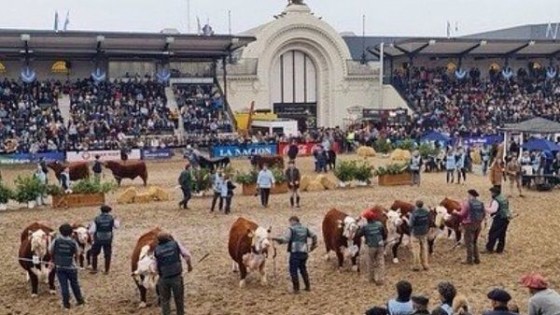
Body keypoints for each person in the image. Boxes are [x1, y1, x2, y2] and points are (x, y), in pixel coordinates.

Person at [272, 216, 318, 294]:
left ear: (293, 221)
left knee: (293, 270)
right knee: (303, 269)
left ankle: (296, 288)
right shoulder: (305, 228)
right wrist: (313, 245)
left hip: (295, 252)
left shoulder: (291, 229)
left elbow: (285, 240)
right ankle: (308, 286)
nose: (290, 223)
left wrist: (276, 239)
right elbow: (314, 236)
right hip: (304, 252)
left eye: (290, 222)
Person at [154, 231, 193, 315]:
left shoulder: (156, 249)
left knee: (165, 301)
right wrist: (189, 266)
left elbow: (155, 267)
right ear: (169, 238)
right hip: (176, 277)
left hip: (163, 278)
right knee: (179, 299)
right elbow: (187, 256)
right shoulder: (175, 244)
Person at [50, 223, 85, 310]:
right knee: (75, 284)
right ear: (70, 233)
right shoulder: (73, 242)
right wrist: (75, 261)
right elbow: (78, 253)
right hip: (71, 267)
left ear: (60, 232)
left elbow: (50, 250)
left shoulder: (56, 240)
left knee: (63, 286)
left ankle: (66, 304)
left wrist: (54, 259)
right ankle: (80, 301)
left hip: (60, 267)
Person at [453, 189, 484, 265]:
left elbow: (462, 214)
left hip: (469, 225)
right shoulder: (480, 203)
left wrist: (455, 212)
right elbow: (484, 214)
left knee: (468, 243)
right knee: (475, 242)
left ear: (470, 195)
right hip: (478, 224)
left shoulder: (467, 204)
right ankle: (477, 259)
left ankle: (469, 260)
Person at [356, 210, 387, 285]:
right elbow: (384, 234)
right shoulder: (379, 224)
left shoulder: (365, 227)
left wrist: (358, 226)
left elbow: (358, 235)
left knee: (370, 262)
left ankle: (371, 278)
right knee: (380, 262)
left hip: (370, 246)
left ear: (366, 219)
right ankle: (381, 279)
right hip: (380, 245)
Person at [89, 205, 120, 274]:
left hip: (98, 238)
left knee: (95, 253)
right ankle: (106, 270)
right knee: (107, 254)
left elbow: (92, 230)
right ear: (109, 211)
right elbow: (117, 226)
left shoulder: (97, 218)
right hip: (108, 238)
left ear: (101, 210)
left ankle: (94, 269)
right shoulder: (111, 218)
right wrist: (117, 219)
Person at [485, 187, 511, 254]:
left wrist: (484, 208)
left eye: (491, 192)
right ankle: (500, 249)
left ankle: (489, 248)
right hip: (506, 218)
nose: (491, 194)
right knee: (502, 234)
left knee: (493, 233)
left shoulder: (496, 200)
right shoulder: (504, 198)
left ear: (494, 193)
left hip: (499, 218)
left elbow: (493, 210)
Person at [408, 200, 430, 271]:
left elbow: (410, 224)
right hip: (424, 231)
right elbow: (429, 221)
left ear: (416, 205)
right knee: (424, 248)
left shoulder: (414, 213)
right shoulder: (426, 212)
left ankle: (417, 265)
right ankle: (425, 264)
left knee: (416, 249)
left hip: (416, 232)